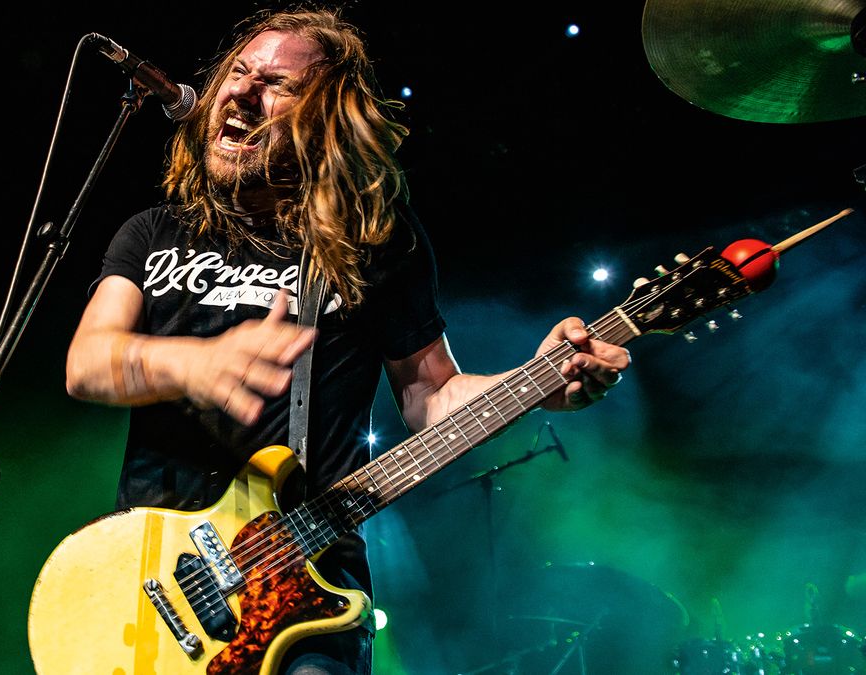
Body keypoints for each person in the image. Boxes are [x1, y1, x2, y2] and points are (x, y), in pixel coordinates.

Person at [64, 8, 629, 674]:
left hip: (307, 588)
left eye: (276, 84)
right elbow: (87, 363)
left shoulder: (374, 241)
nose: (242, 93)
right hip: (151, 585)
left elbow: (433, 395)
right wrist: (197, 361)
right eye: (237, 73)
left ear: (325, 120)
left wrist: (535, 384)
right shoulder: (155, 232)